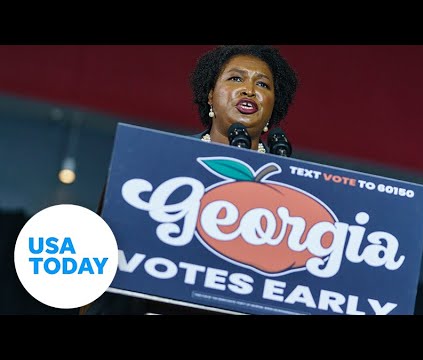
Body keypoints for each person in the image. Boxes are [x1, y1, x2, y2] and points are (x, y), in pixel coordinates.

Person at [80, 45, 299, 315]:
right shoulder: (155, 162)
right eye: (236, 78)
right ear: (210, 95)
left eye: (263, 84)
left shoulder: (294, 185)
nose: (249, 90)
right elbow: (101, 257)